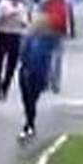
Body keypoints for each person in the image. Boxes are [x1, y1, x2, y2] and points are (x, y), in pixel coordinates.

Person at [18, 14, 57, 142]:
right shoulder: (41, 40)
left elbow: (24, 55)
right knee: (30, 100)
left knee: (29, 99)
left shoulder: (43, 40)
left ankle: (29, 124)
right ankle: (29, 123)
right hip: (33, 72)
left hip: (32, 72)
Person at [0, 0, 28, 102]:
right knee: (0, 63)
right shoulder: (3, 5)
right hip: (4, 34)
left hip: (15, 35)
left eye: (18, 0)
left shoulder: (22, 8)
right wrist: (7, 16)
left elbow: (25, 23)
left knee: (12, 65)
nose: (16, 2)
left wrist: (21, 20)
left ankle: (5, 87)